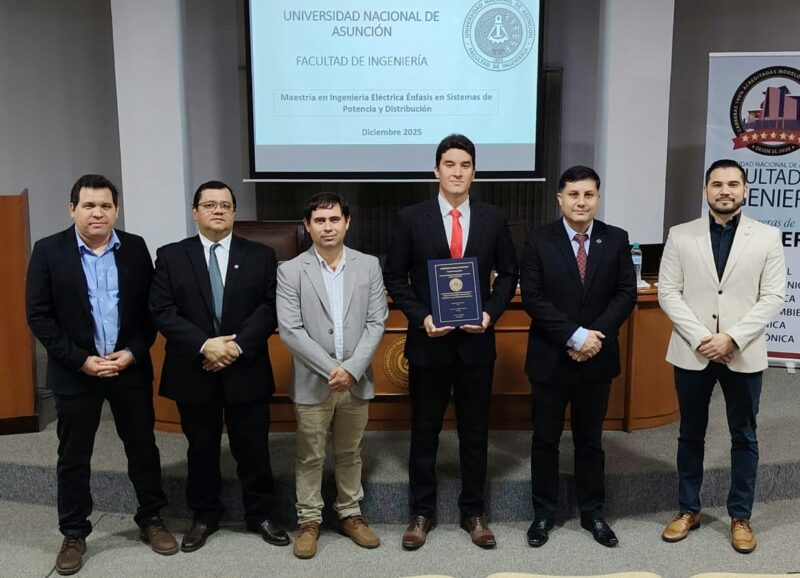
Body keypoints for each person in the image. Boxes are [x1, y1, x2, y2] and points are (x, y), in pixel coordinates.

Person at [26, 174, 176, 575]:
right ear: (72, 209)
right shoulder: (48, 250)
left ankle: (151, 517)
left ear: (116, 210)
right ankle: (74, 532)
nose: (98, 213)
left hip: (128, 369)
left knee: (142, 448)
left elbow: (150, 311)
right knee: (74, 456)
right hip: (76, 372)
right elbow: (39, 315)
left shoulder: (135, 248)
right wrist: (81, 360)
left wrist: (132, 353)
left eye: (106, 206)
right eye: (89, 205)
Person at [384, 134, 518, 550]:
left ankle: (473, 512)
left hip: (476, 344)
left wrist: (489, 313)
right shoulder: (411, 218)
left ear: (474, 172)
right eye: (449, 164)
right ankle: (421, 512)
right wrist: (422, 316)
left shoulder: (494, 218)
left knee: (474, 433)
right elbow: (395, 277)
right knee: (424, 432)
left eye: (465, 165)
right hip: (429, 344)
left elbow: (509, 274)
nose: (457, 172)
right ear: (436, 170)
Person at [149, 180, 289, 552]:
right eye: (209, 204)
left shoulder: (260, 255)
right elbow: (162, 310)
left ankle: (260, 514)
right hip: (194, 369)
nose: (218, 210)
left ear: (234, 212)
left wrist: (236, 347)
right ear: (195, 212)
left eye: (225, 205)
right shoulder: (171, 255)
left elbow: (270, 306)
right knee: (201, 449)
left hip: (246, 367)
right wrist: (205, 346)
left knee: (254, 448)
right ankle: (204, 515)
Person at [658, 159, 785, 554]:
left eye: (733, 184)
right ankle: (688, 509)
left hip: (742, 353)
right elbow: (668, 292)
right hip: (692, 351)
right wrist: (703, 339)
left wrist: (731, 338)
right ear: (705, 191)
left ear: (745, 190)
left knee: (743, 435)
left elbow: (773, 297)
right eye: (717, 184)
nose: (725, 191)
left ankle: (740, 516)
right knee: (690, 433)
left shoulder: (767, 237)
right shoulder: (680, 235)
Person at [519, 165, 636, 548]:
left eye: (588, 194)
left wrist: (593, 337)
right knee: (545, 440)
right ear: (560, 199)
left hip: (597, 358)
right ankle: (543, 513)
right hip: (551, 358)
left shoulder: (616, 239)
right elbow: (533, 298)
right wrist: (575, 336)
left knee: (590, 440)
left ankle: (593, 513)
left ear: (597, 198)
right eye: (573, 194)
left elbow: (625, 293)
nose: (581, 202)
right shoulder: (538, 240)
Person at [276, 193, 388, 559]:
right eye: (320, 221)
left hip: (356, 378)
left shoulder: (368, 265)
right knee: (310, 454)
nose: (328, 227)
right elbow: (290, 330)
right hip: (314, 380)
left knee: (350, 451)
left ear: (347, 222)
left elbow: (377, 322)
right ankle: (309, 520)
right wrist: (332, 370)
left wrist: (352, 369)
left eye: (334, 219)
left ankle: (350, 513)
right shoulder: (291, 270)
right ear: (307, 226)